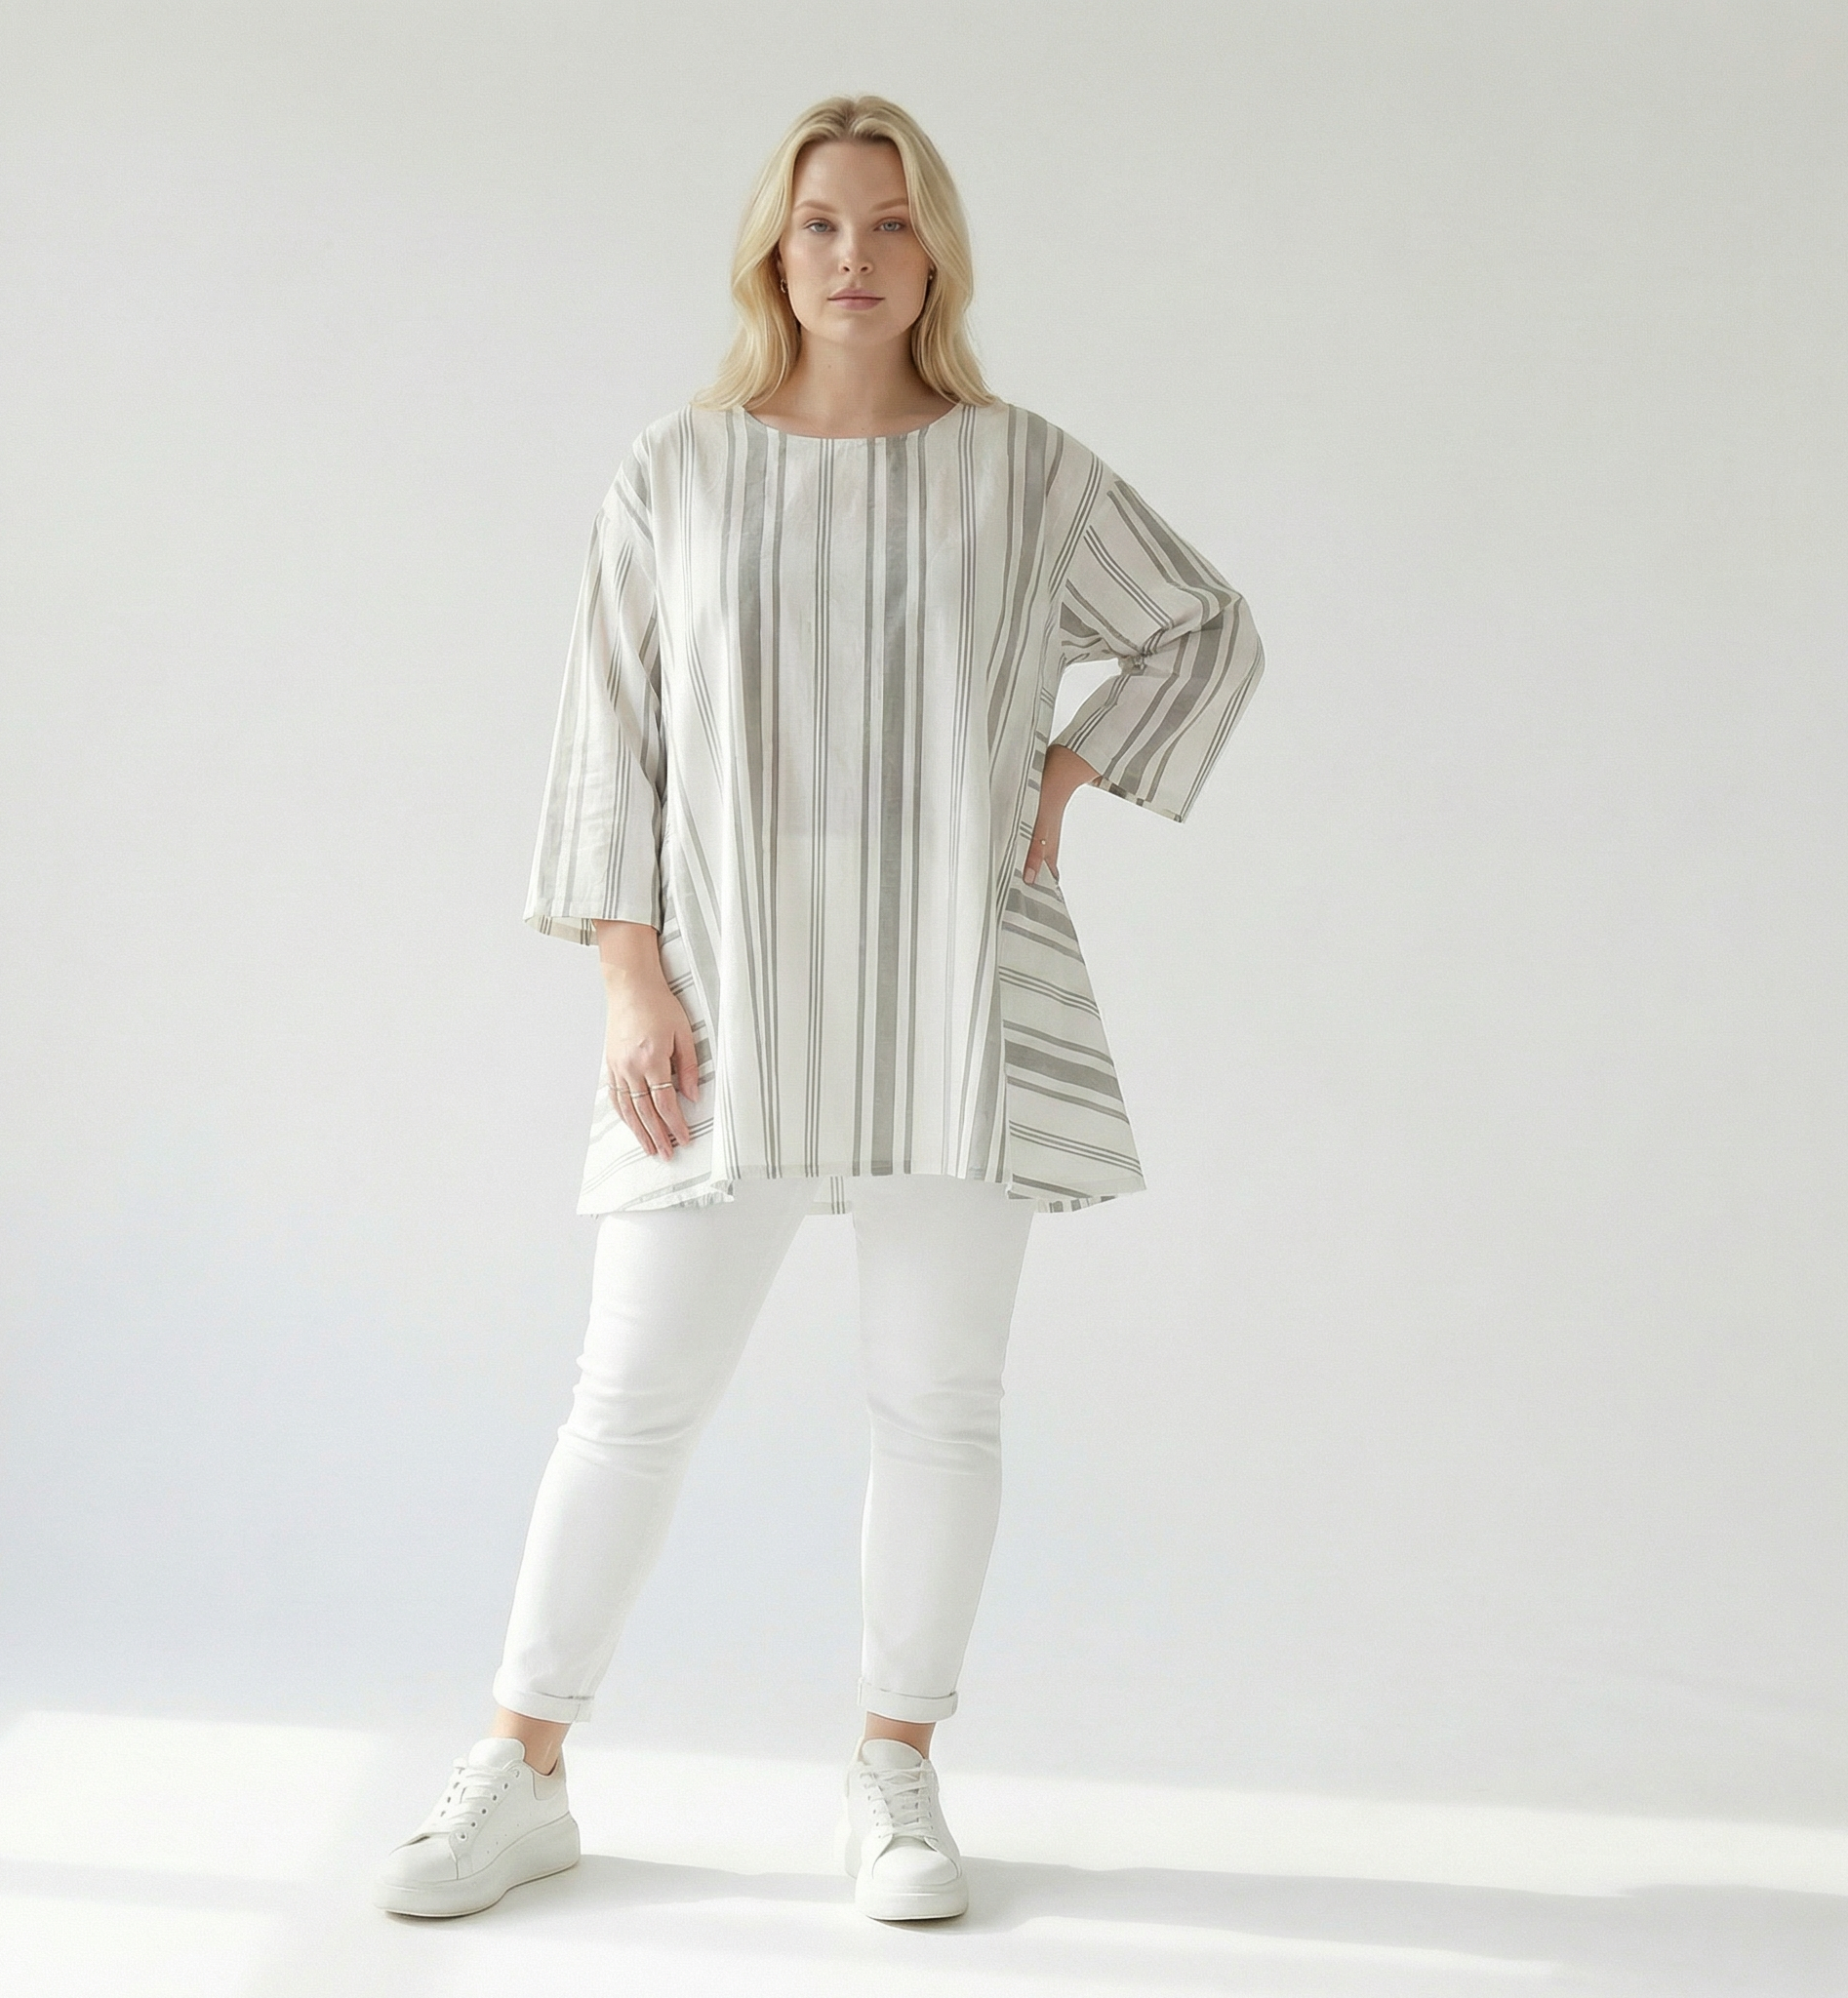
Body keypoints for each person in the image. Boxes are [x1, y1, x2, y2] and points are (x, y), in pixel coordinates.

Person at [373, 91, 1265, 1926]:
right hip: (725, 1000)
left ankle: (895, 1770)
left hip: (957, 995)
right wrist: (629, 977)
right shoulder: (678, 472)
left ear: (937, 254)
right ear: (772, 256)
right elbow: (609, 736)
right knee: (631, 1397)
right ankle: (523, 1767)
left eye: (889, 222)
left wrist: (1071, 767)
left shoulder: (1024, 473)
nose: (854, 257)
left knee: (938, 1401)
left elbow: (1202, 625)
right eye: (820, 226)